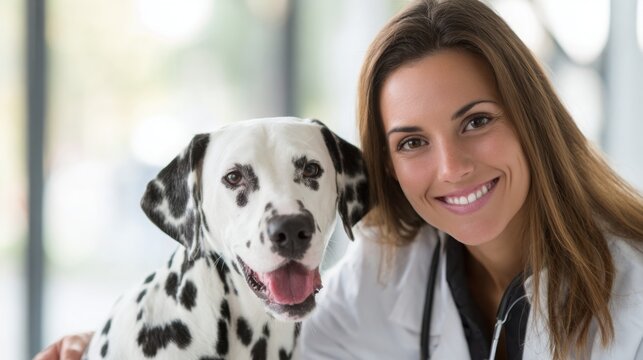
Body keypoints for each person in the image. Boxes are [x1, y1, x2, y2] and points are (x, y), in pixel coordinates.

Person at [35, 0, 643, 359]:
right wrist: (110, 341)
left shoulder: (635, 285)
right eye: (411, 142)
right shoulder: (387, 268)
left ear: (532, 118)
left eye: (476, 121)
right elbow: (269, 338)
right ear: (384, 161)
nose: (452, 167)